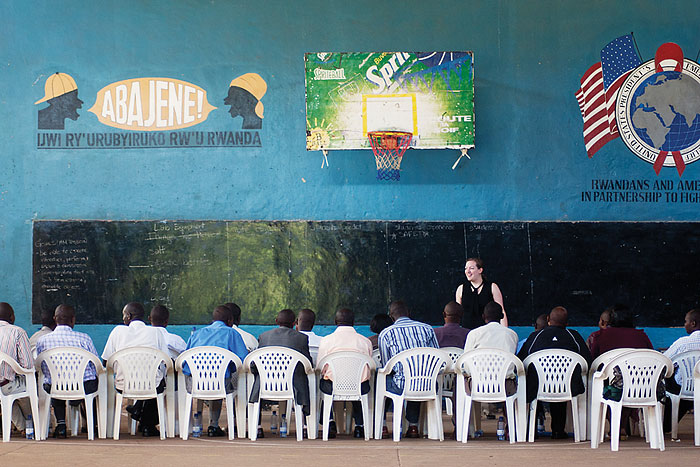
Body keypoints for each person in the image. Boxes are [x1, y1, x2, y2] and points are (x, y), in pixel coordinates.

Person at [517, 306, 591, 440]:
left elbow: (521, 361)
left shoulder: (535, 336)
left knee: (534, 381)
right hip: (568, 387)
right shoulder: (573, 336)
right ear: (567, 323)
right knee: (562, 382)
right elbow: (587, 360)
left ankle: (531, 430)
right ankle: (558, 430)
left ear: (548, 320)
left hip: (538, 387)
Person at [101, 302, 169, 437]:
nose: (123, 319)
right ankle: (147, 423)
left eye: (124, 315)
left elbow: (105, 360)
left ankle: (140, 413)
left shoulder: (117, 331)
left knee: (150, 380)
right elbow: (166, 360)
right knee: (159, 381)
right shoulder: (155, 332)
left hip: (123, 385)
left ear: (129, 316)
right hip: (152, 385)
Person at [588, 304, 653, 438]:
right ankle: (621, 427)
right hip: (640, 387)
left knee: (606, 384)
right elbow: (652, 359)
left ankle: (615, 426)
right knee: (629, 382)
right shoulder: (642, 336)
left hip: (611, 386)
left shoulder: (602, 336)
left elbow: (593, 361)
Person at [35, 304, 100, 438]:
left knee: (55, 381)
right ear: (73, 320)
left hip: (54, 387)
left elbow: (40, 366)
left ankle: (61, 425)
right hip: (83, 387)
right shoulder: (84, 338)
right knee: (95, 380)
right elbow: (96, 365)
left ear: (55, 319)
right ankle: (92, 425)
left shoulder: (42, 341)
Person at [185, 305, 249, 437]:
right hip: (220, 384)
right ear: (230, 321)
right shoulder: (232, 333)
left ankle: (191, 427)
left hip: (195, 383)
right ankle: (213, 426)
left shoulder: (196, 334)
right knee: (221, 377)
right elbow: (243, 361)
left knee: (213, 377)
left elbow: (184, 361)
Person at [378, 300, 439, 438]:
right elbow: (437, 357)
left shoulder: (386, 333)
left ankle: (382, 426)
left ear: (391, 316)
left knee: (384, 378)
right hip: (428, 384)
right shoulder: (427, 329)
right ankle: (413, 426)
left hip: (402, 385)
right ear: (409, 313)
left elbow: (387, 365)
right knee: (418, 376)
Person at [252, 309, 313, 438]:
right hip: (292, 385)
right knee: (305, 377)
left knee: (256, 377)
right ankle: (306, 426)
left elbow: (254, 364)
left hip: (266, 384)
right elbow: (308, 364)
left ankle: (257, 427)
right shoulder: (301, 338)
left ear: (276, 321)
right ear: (294, 323)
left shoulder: (264, 337)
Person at [316, 308, 373, 439]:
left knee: (323, 383)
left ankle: (329, 422)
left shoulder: (326, 340)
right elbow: (369, 365)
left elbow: (320, 367)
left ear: (336, 321)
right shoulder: (365, 341)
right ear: (353, 322)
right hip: (360, 387)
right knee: (359, 382)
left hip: (332, 387)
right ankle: (359, 426)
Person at [663, 308, 700, 433]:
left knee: (669, 380)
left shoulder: (683, 343)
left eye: (686, 322)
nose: (685, 324)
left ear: (693, 324)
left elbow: (665, 361)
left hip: (682, 390)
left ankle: (667, 425)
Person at [0, 302, 34, 433]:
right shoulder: (18, 332)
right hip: (6, 384)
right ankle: (33, 425)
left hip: (4, 386)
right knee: (23, 387)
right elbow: (28, 365)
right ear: (12, 317)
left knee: (5, 395)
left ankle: (23, 427)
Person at [455, 258, 508, 329]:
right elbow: (457, 314)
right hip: (467, 333)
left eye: (471, 268)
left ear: (480, 270)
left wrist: (504, 331)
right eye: (466, 268)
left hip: (488, 333)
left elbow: (501, 311)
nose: (468, 271)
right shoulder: (461, 289)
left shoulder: (492, 287)